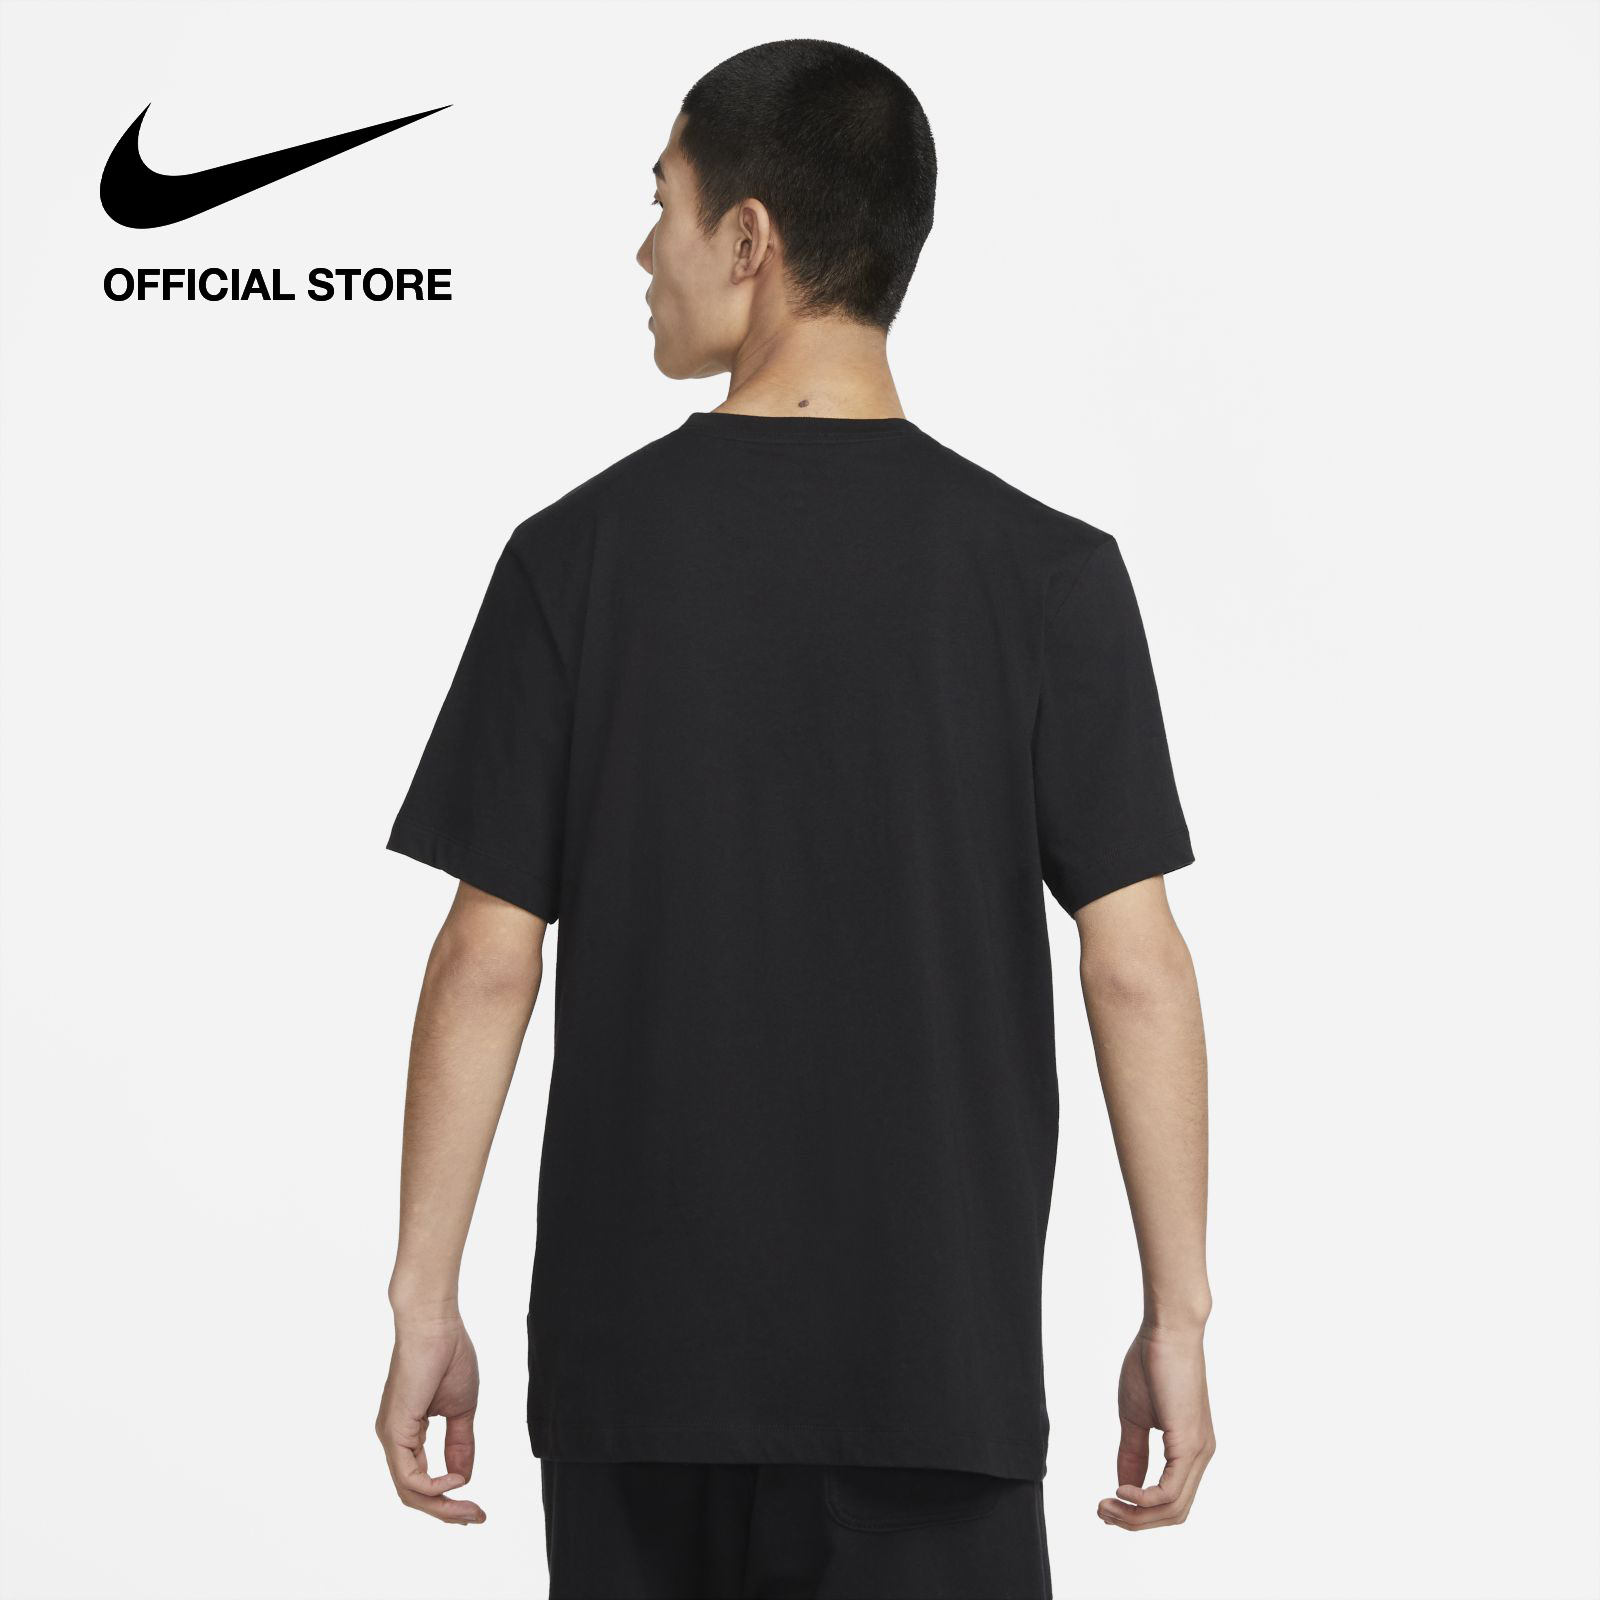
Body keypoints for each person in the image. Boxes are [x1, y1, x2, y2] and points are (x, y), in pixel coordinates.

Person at [375, 37, 1214, 1599]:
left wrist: (423, 1295)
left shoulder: (578, 558)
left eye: (663, 203)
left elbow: (488, 956)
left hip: (639, 1382)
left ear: (749, 237)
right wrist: (1178, 1316)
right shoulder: (1047, 576)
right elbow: (1137, 965)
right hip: (933, 1377)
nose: (645, 250)